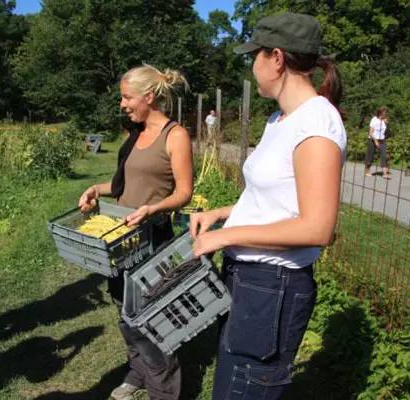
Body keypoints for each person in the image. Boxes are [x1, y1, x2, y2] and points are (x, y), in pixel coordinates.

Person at [190, 12, 346, 400]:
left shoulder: (316, 125)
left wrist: (227, 236)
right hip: (248, 278)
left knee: (245, 388)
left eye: (254, 56)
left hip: (272, 287)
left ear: (276, 58)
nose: (252, 66)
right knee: (229, 385)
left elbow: (316, 228)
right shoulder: (280, 120)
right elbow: (272, 198)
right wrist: (221, 213)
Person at [78, 64, 193, 400]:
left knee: (156, 320)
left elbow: (184, 192)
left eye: (127, 98)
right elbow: (123, 186)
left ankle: (163, 391)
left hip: (154, 240)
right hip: (121, 241)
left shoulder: (175, 136)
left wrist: (153, 208)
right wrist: (96, 190)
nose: (122, 104)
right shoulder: (134, 134)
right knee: (125, 311)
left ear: (150, 96)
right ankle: (139, 372)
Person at [364, 107, 390, 179]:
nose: (385, 114)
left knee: (384, 155)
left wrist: (386, 123)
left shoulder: (384, 120)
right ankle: (367, 170)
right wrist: (375, 141)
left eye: (385, 113)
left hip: (382, 140)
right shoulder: (374, 120)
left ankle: (385, 173)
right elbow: (371, 132)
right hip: (372, 139)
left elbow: (386, 131)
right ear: (380, 113)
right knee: (370, 155)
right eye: (384, 113)